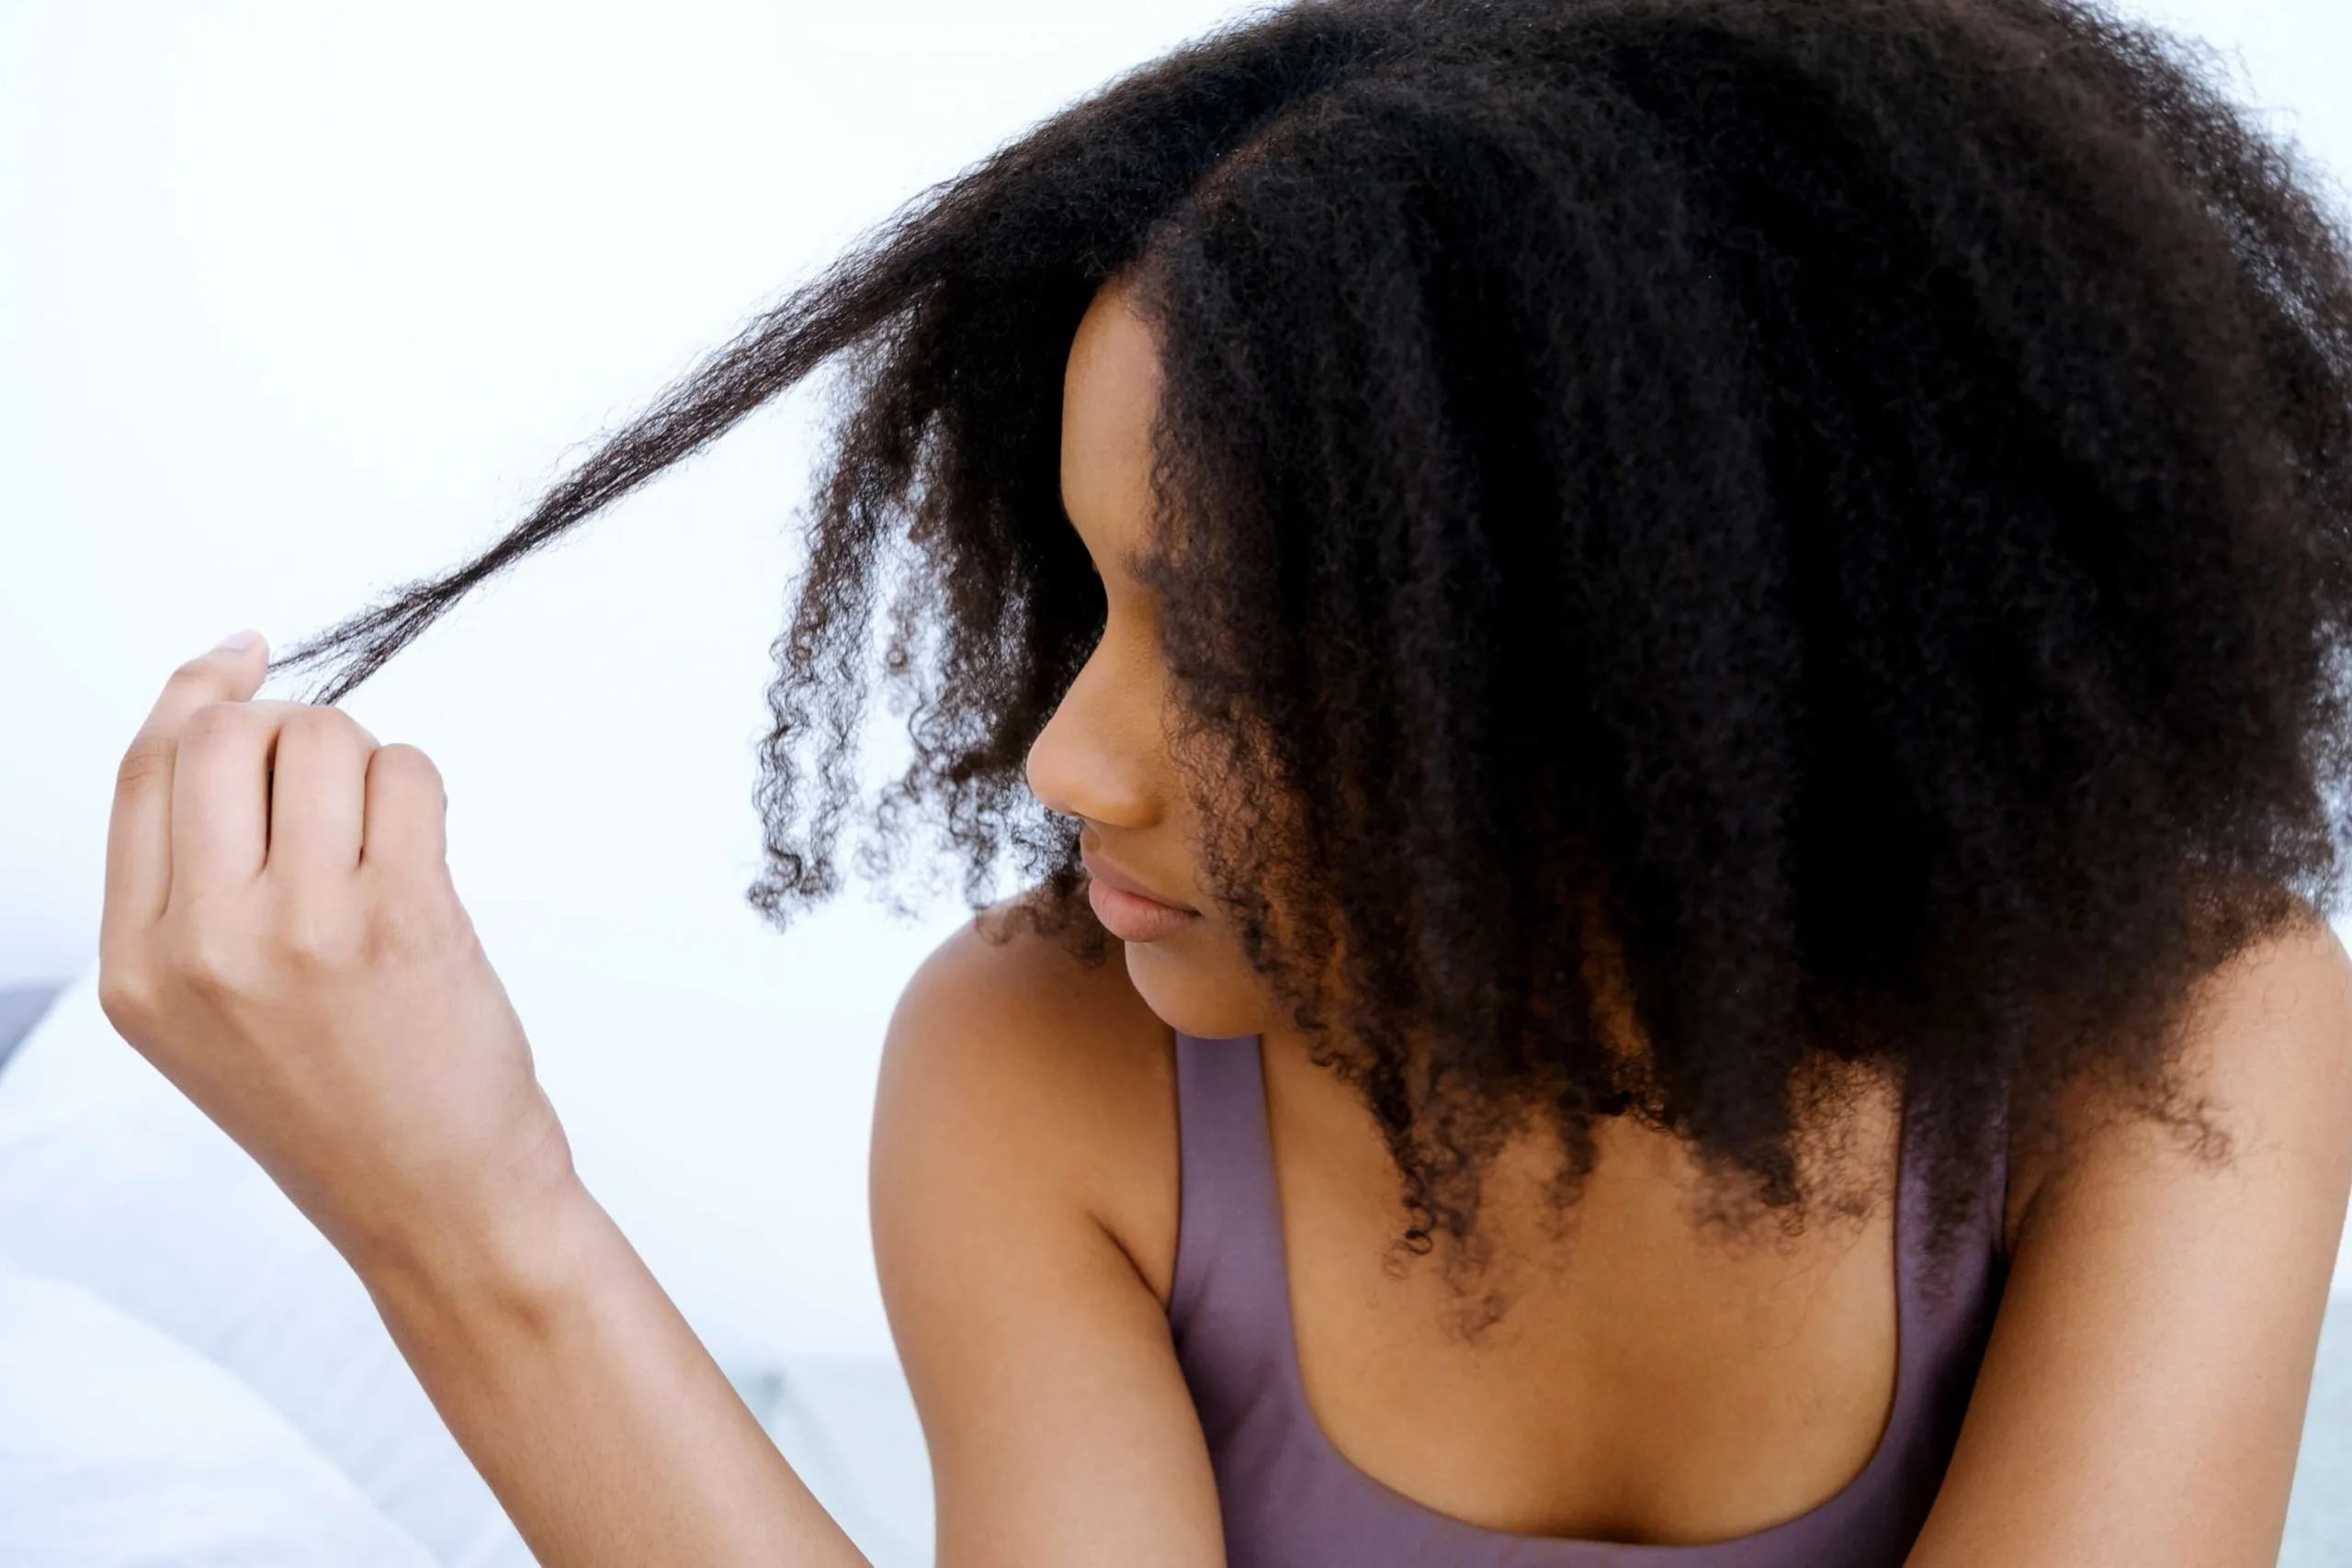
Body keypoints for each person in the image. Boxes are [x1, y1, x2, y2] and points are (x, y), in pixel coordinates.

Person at [93, 0, 2352, 1562]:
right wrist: (471, 1220)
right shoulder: (1042, 1065)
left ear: (1671, 676)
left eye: (1245, 655)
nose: (1068, 753)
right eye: (1087, 601)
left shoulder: (2180, 1040)